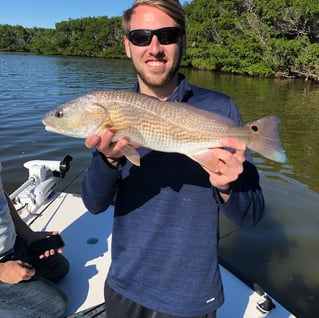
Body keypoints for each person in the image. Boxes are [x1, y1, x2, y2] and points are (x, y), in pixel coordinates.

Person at [82, 1, 265, 317]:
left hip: (191, 297)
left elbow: (251, 214)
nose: (154, 47)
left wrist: (226, 188)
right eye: (141, 37)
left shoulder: (219, 109)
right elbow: (94, 203)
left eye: (166, 35)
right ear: (127, 46)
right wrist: (108, 162)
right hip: (124, 286)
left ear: (182, 41)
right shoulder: (111, 111)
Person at [0, 162, 69, 317]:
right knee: (56, 307)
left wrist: (27, 234)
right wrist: (3, 270)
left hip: (11, 248)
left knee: (59, 268)